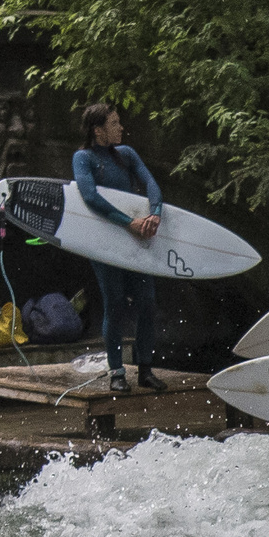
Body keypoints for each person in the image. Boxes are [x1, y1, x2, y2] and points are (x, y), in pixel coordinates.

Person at [73, 104, 165, 393]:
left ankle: (146, 370)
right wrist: (129, 223)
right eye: (114, 123)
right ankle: (117, 372)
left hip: (136, 237)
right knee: (113, 302)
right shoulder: (83, 158)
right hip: (105, 241)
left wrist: (156, 213)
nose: (121, 127)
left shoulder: (126, 155)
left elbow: (151, 183)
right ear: (98, 130)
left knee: (147, 303)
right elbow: (89, 197)